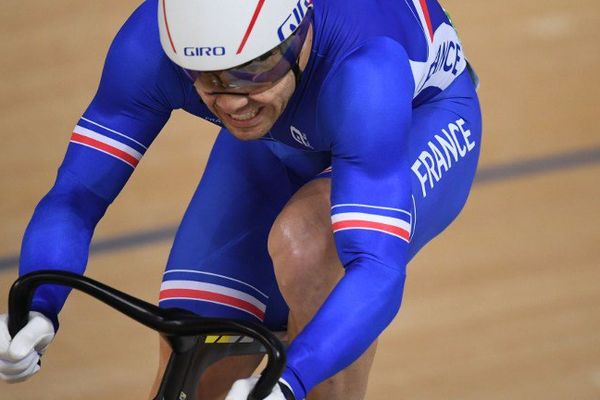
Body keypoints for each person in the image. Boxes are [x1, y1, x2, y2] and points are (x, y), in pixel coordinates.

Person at [0, 0, 482, 399]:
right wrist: (39, 306)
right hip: (281, 136)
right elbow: (77, 194)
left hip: (415, 119)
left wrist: (287, 382)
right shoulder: (150, 45)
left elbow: (376, 267)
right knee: (191, 354)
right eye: (206, 77)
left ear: (299, 38)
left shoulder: (366, 70)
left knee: (310, 246)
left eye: (253, 70)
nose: (230, 100)